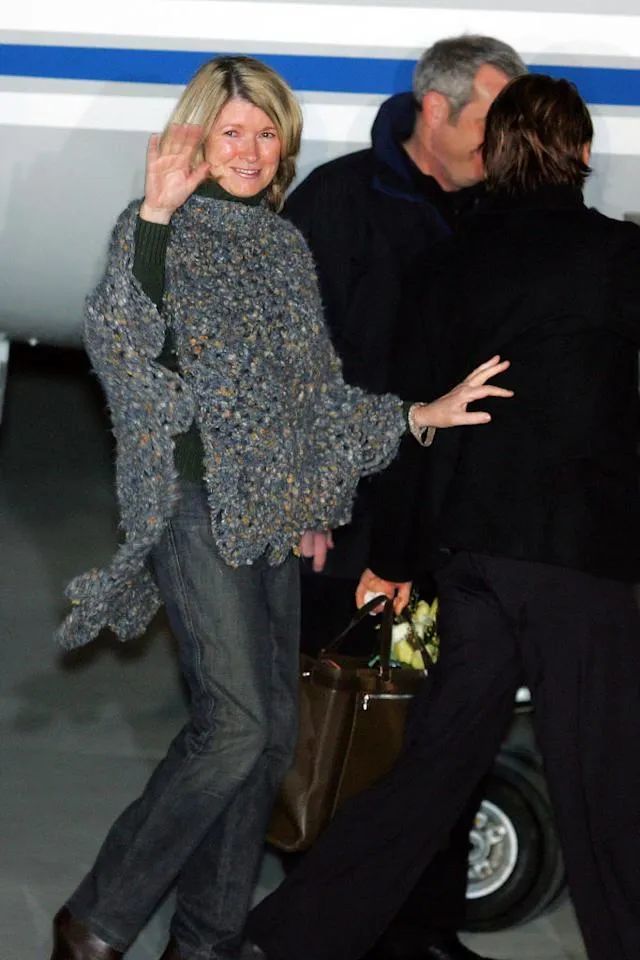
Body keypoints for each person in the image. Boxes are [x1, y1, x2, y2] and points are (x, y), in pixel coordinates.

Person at [50, 56, 511, 960]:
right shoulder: (156, 229)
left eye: (268, 133)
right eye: (234, 132)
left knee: (271, 742)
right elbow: (120, 344)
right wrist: (154, 221)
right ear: (196, 137)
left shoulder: (280, 246)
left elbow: (313, 400)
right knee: (237, 726)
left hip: (268, 510)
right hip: (190, 503)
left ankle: (208, 941)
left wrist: (419, 415)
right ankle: (97, 919)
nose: (252, 150)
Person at [247, 74, 640, 960]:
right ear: (582, 153)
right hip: (578, 566)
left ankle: (291, 935)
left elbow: (414, 425)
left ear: (494, 155)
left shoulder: (443, 264)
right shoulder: (618, 258)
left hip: (467, 563)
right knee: (606, 787)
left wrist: (393, 560)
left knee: (427, 771)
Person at [282, 35, 526, 960]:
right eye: (490, 121)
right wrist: (308, 497)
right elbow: (290, 367)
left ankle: (425, 930)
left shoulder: (500, 211)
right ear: (434, 108)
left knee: (448, 735)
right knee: (347, 729)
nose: (503, 142)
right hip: (353, 523)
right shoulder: (341, 204)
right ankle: (325, 930)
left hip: (454, 531)